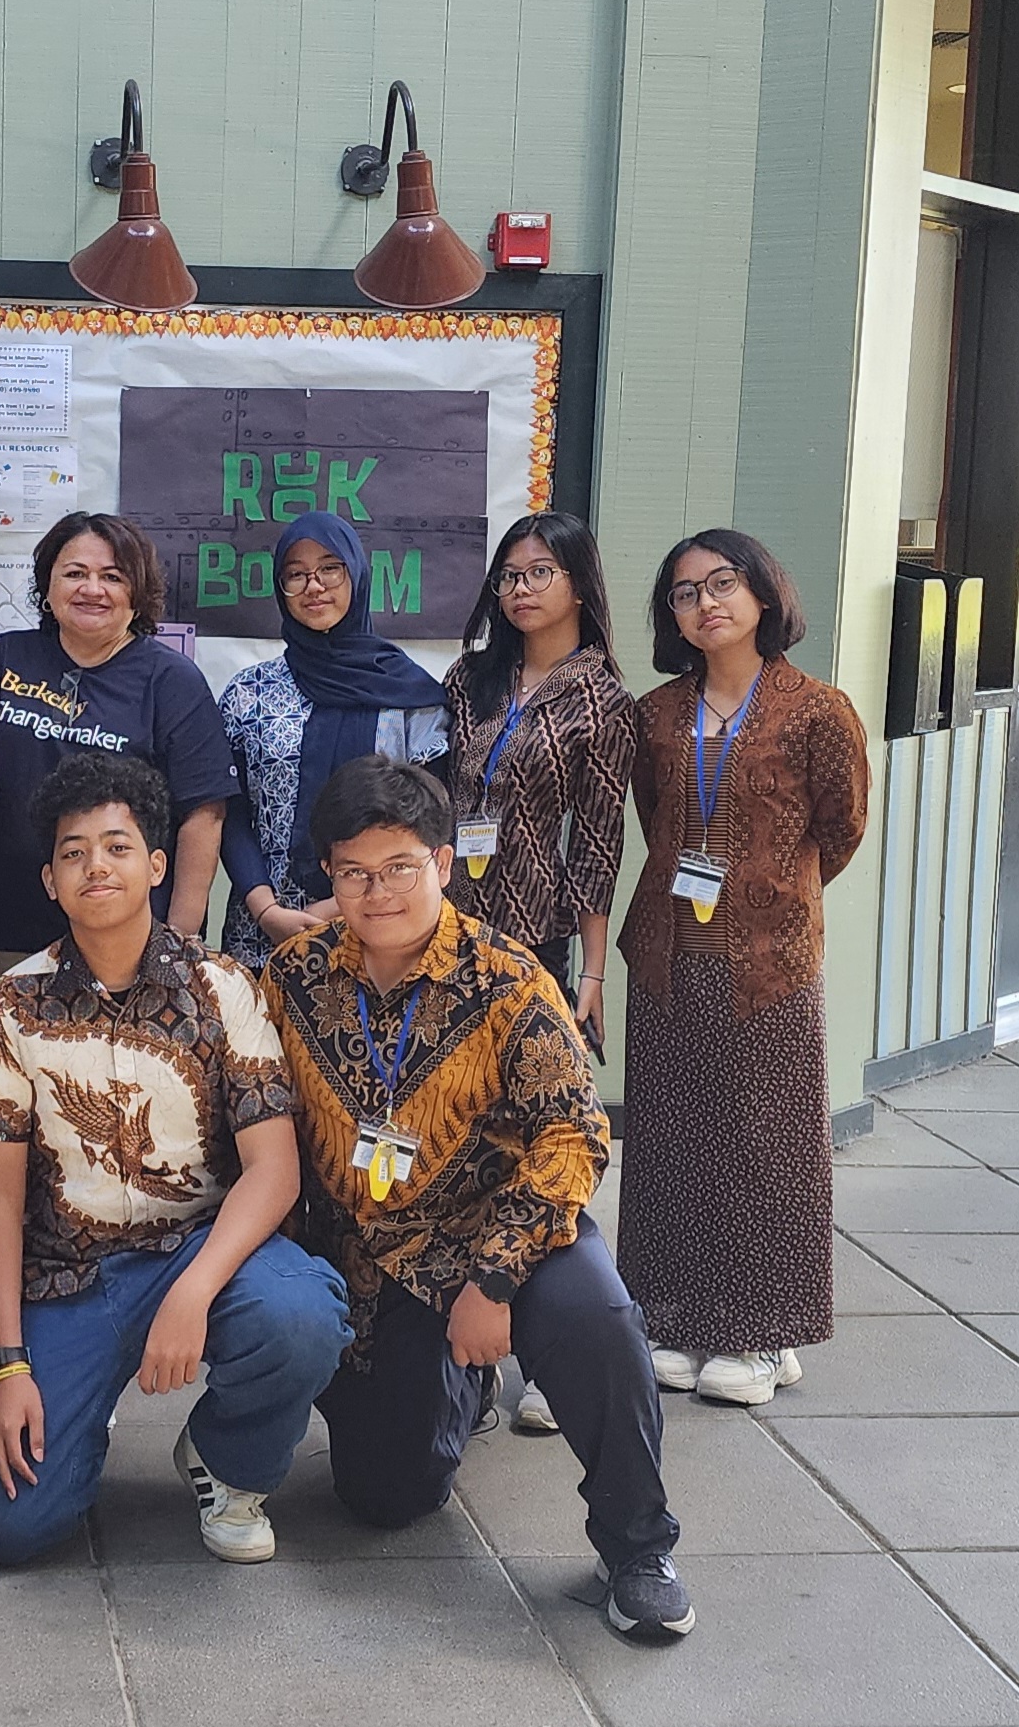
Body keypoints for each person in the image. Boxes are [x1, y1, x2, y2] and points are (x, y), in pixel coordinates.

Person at [258, 755, 693, 1640]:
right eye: (352, 872)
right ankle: (461, 1384)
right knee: (385, 1498)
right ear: (328, 875)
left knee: (596, 1316)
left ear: (443, 862)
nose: (376, 892)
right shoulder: (291, 975)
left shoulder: (510, 982)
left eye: (399, 867)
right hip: (370, 1260)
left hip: (502, 1234)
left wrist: (492, 1283)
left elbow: (575, 1137)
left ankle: (637, 1544)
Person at [0, 753, 350, 1566]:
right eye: (73, 852)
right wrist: (4, 1364)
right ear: (49, 881)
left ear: (157, 865)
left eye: (116, 845)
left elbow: (273, 1168)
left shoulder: (222, 987)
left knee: (301, 1316)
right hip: (72, 1274)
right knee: (4, 1527)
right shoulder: (10, 1005)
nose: (95, 865)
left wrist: (195, 1289)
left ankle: (227, 1460)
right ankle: (80, 1406)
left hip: (203, 1250)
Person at [619, 531, 868, 1408]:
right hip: (664, 954)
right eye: (684, 593)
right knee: (670, 1138)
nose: (705, 603)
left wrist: (772, 892)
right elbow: (656, 820)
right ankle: (675, 1314)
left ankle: (760, 1333)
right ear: (672, 618)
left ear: (763, 593)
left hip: (768, 961)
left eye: (721, 584)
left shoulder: (817, 710)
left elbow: (839, 830)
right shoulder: (653, 713)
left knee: (765, 1146)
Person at [441, 513, 634, 1436]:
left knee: (537, 1135)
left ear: (576, 583)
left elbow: (596, 845)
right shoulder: (470, 679)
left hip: (531, 943)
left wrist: (590, 975)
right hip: (446, 936)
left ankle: (548, 1351)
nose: (521, 588)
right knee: (454, 1124)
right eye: (509, 573)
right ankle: (465, 1354)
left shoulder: (601, 700)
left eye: (541, 571)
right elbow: (442, 802)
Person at [0, 512, 234, 978]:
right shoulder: (6, 655)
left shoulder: (172, 680)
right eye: (75, 573)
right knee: (26, 1047)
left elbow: (204, 814)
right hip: (15, 913)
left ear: (136, 593)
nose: (92, 589)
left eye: (112, 577)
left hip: (132, 929)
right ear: (48, 585)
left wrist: (179, 937)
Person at [217, 512, 446, 972]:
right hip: (264, 934)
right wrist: (266, 910)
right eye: (295, 574)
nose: (313, 585)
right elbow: (229, 811)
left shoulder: (410, 695)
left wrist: (336, 907)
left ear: (357, 574)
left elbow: (430, 821)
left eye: (329, 568)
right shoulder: (250, 692)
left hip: (381, 927)